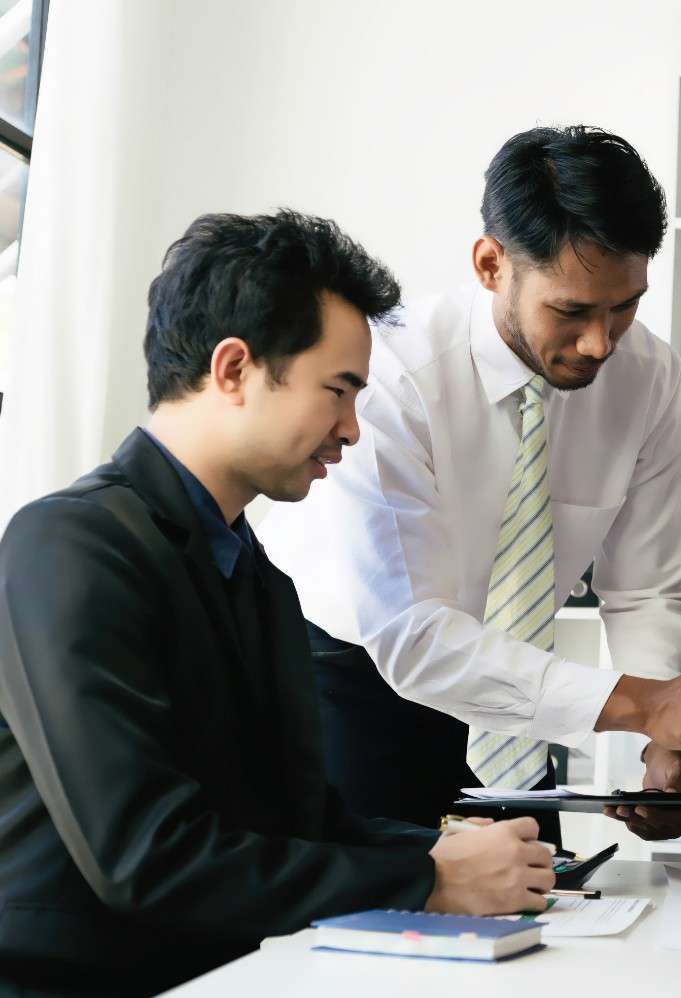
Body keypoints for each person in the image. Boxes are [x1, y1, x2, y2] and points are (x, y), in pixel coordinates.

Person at [0, 211, 559, 996]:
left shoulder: (260, 577)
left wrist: (469, 851)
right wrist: (425, 878)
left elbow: (300, 820)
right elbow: (148, 857)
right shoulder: (70, 544)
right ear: (234, 369)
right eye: (338, 391)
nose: (352, 430)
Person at [257, 125, 681, 842]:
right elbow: (412, 633)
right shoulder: (390, 372)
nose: (601, 342)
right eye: (572, 311)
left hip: (516, 692)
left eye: (625, 305)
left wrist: (662, 745)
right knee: (378, 924)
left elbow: (645, 588)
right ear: (490, 264)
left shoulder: (647, 375)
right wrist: (642, 704)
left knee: (531, 911)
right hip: (347, 677)